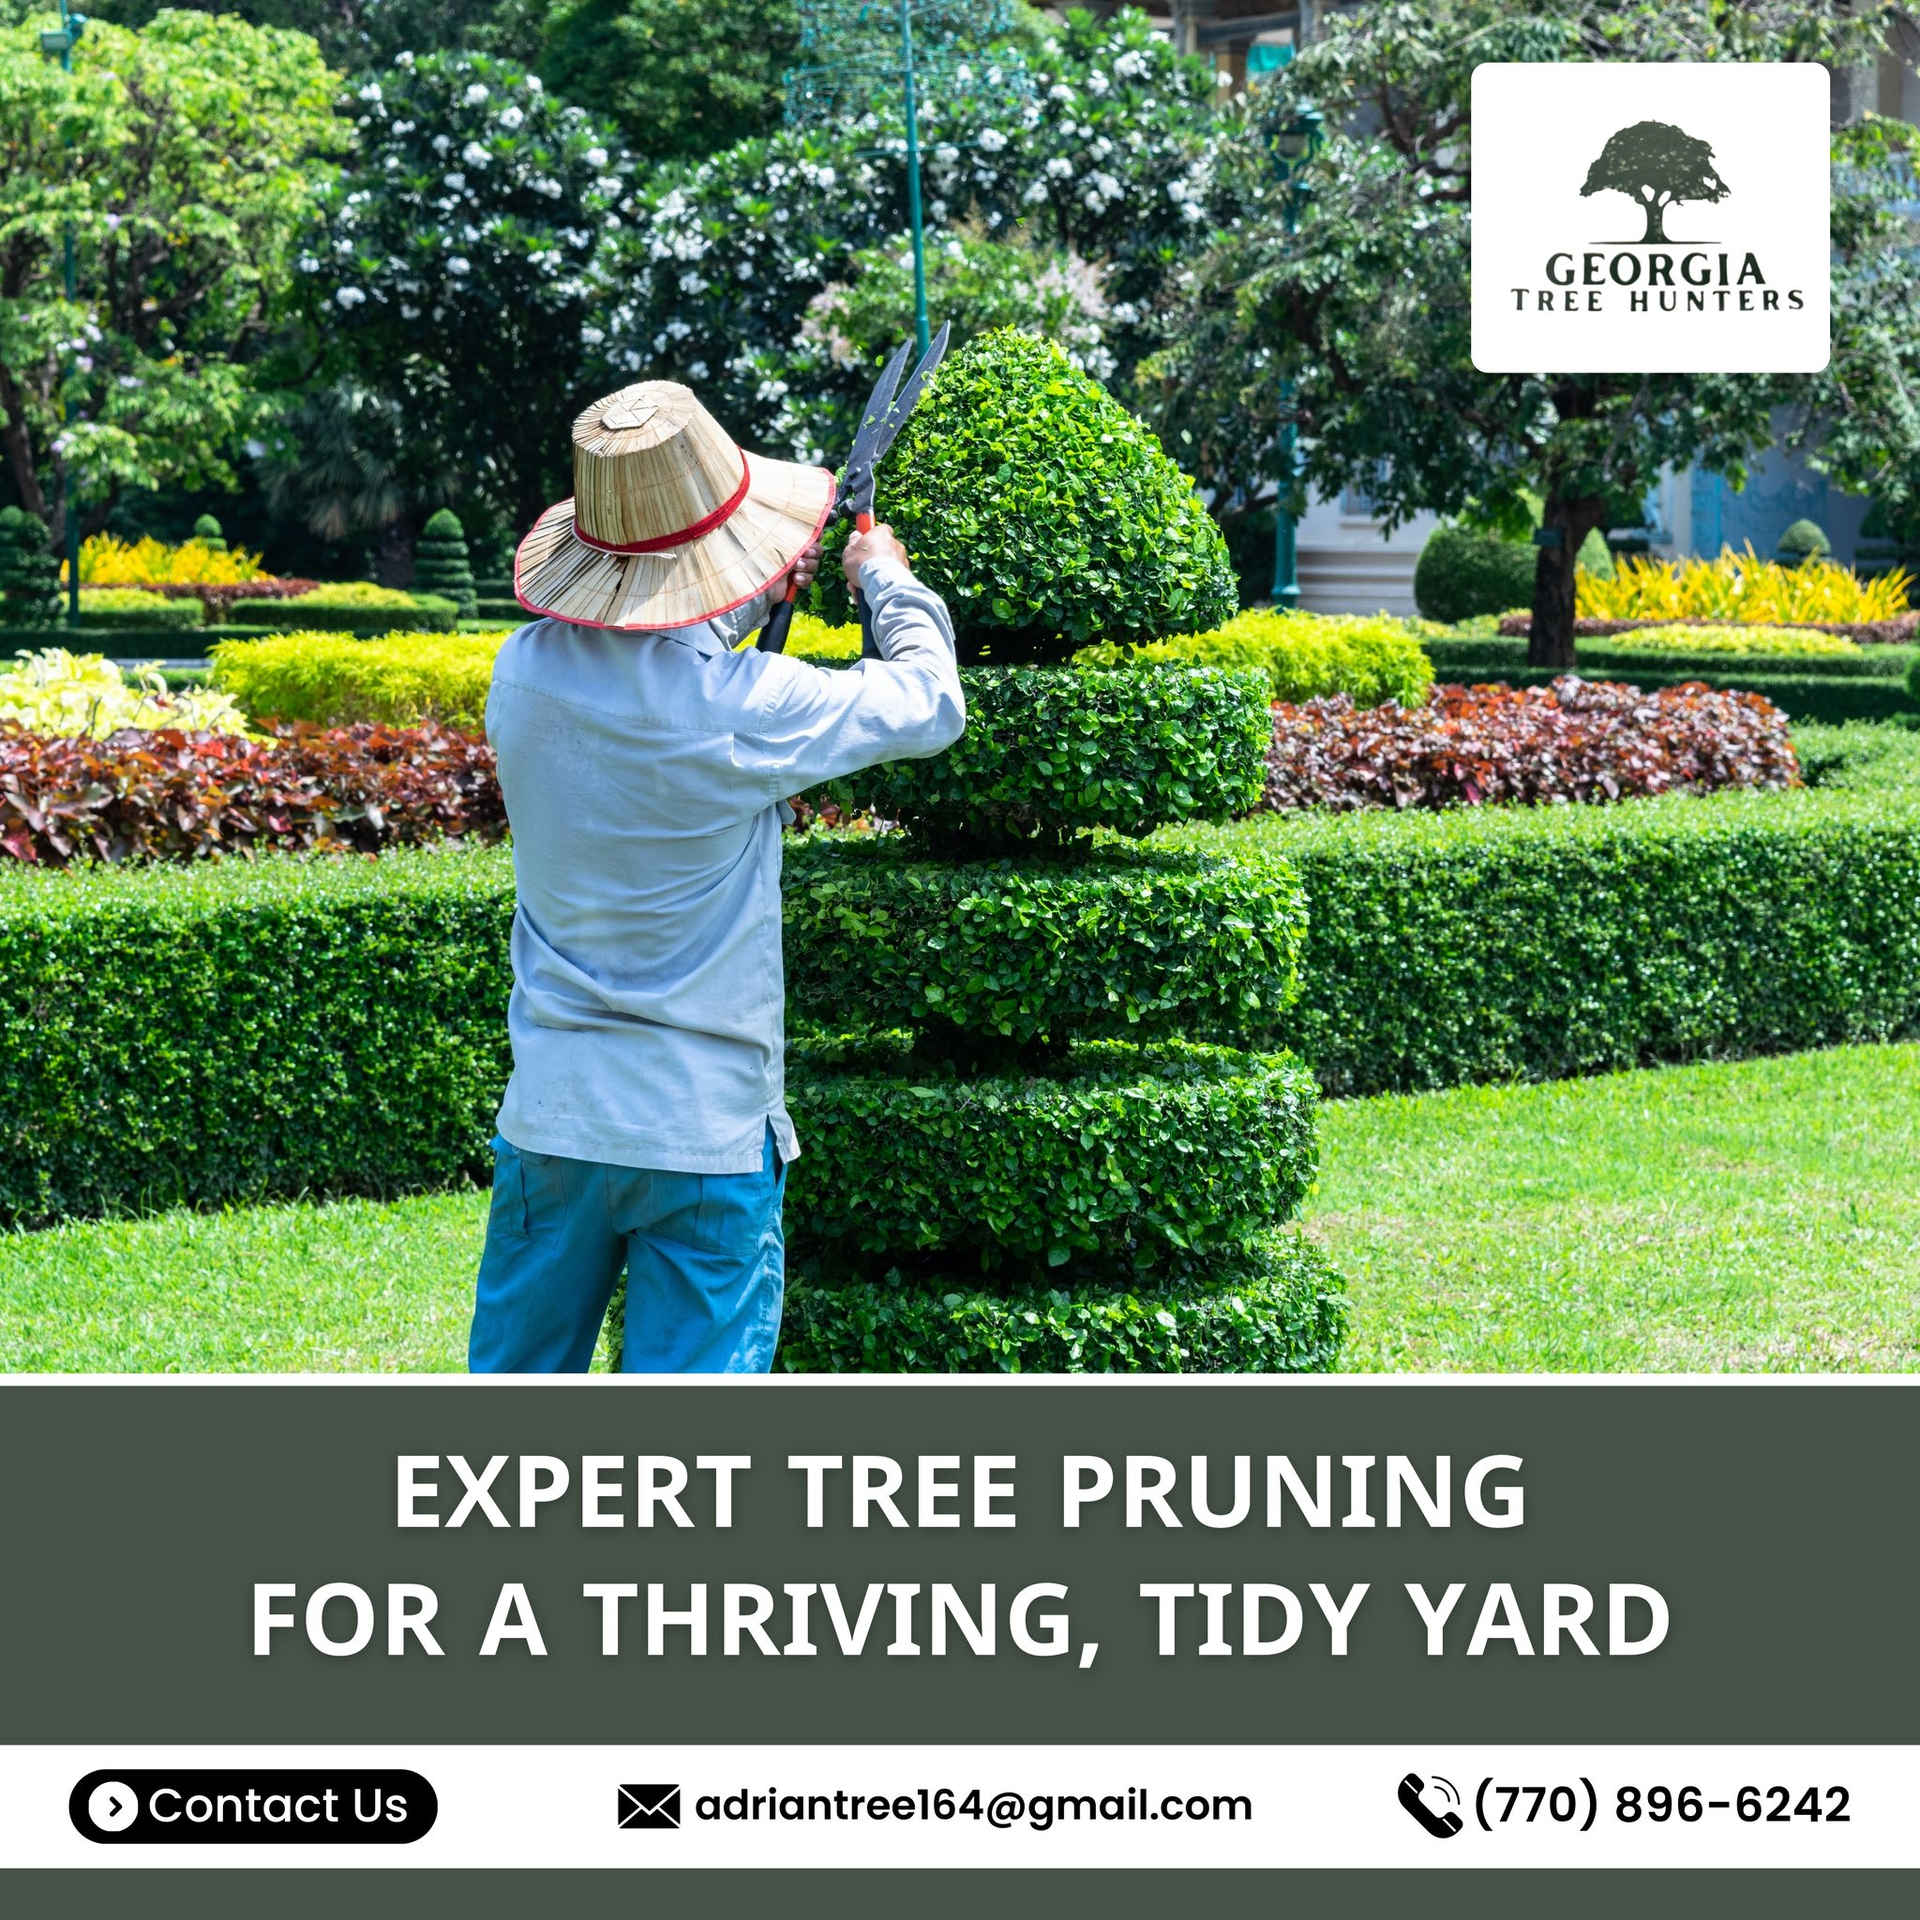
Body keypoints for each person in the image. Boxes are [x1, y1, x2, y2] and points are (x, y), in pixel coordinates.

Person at [468, 379, 964, 1374]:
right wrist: (886, 580)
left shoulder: (520, 674)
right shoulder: (746, 710)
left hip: (556, 1119)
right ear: (721, 556)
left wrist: (746, 605)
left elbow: (647, 665)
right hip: (702, 1131)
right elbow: (929, 702)